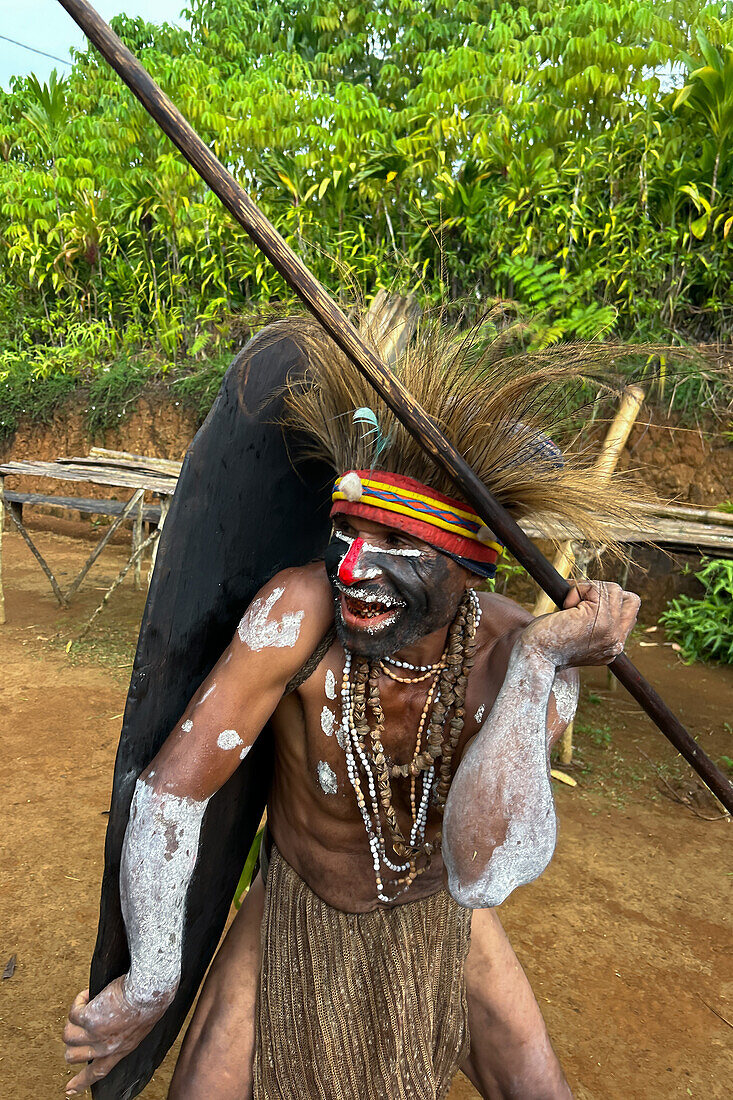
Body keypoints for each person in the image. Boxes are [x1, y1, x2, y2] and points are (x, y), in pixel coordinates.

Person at [63, 317, 641, 1099]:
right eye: (345, 532)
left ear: (469, 568)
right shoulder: (296, 613)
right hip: (296, 902)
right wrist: (152, 981)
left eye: (397, 544)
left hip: (441, 918)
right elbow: (171, 795)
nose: (355, 569)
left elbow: (482, 871)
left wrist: (542, 662)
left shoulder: (516, 655)